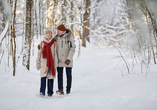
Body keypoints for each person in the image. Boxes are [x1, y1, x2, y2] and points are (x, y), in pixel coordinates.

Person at [55, 24, 76, 95]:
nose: (57, 32)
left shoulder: (69, 37)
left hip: (67, 60)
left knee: (68, 75)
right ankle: (60, 89)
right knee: (59, 74)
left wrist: (69, 59)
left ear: (62, 31)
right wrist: (41, 45)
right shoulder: (56, 37)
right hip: (59, 59)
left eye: (58, 31)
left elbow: (72, 48)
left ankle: (68, 90)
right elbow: (49, 42)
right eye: (57, 30)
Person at [36, 29, 56, 97]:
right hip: (43, 63)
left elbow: (56, 53)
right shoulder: (42, 43)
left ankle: (50, 92)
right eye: (48, 33)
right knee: (43, 77)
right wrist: (37, 63)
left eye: (51, 33)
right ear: (46, 34)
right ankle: (42, 91)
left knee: (50, 77)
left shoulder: (54, 42)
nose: (50, 34)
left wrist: (56, 62)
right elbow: (39, 54)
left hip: (51, 62)